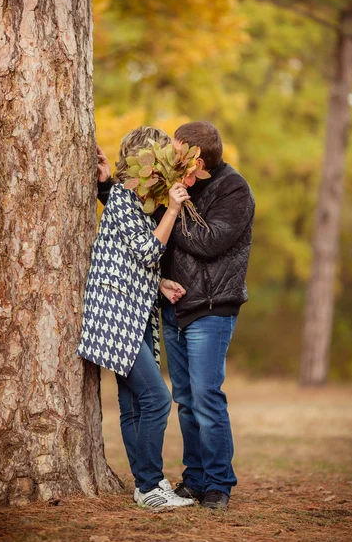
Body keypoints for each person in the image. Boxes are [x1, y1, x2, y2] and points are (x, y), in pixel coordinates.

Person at [97, 121, 255, 510]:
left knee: (205, 395)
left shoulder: (232, 189)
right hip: (173, 307)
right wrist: (108, 187)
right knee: (185, 398)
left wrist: (172, 207)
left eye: (176, 151)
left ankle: (219, 483)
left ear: (196, 159)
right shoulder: (174, 184)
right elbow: (140, 219)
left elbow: (207, 241)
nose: (169, 156)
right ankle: (195, 479)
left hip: (211, 307)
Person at [76, 126, 193, 509]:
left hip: (135, 312)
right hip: (116, 314)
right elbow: (146, 250)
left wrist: (159, 284)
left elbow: (131, 257)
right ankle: (150, 485)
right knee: (158, 400)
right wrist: (174, 209)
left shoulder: (130, 199)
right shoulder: (127, 198)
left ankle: (147, 486)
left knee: (134, 405)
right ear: (146, 162)